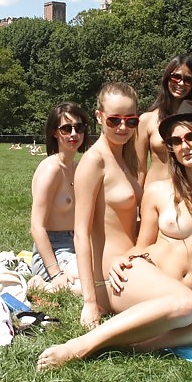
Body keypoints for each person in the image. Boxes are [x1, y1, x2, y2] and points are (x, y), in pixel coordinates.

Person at [37, 101, 192, 370]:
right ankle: (82, 345)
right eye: (176, 141)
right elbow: (143, 245)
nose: (184, 146)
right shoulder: (159, 191)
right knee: (186, 304)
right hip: (141, 280)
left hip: (187, 298)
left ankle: (143, 345)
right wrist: (123, 258)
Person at [72, 82, 143, 330]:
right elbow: (81, 233)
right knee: (184, 302)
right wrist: (90, 301)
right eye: (114, 120)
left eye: (130, 121)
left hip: (133, 262)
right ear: (99, 116)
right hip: (111, 278)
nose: (123, 127)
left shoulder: (125, 157)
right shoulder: (94, 161)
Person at [29, 102, 91, 291]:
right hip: (53, 251)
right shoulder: (51, 169)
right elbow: (36, 226)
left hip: (79, 244)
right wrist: (55, 273)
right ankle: (41, 285)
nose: (73, 134)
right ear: (55, 132)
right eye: (66, 128)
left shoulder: (79, 168)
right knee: (88, 286)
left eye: (78, 128)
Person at [135, 55, 192, 189]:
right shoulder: (147, 120)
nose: (181, 83)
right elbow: (139, 171)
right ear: (166, 78)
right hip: (156, 196)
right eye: (176, 77)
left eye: (188, 80)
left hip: (190, 193)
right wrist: (137, 205)